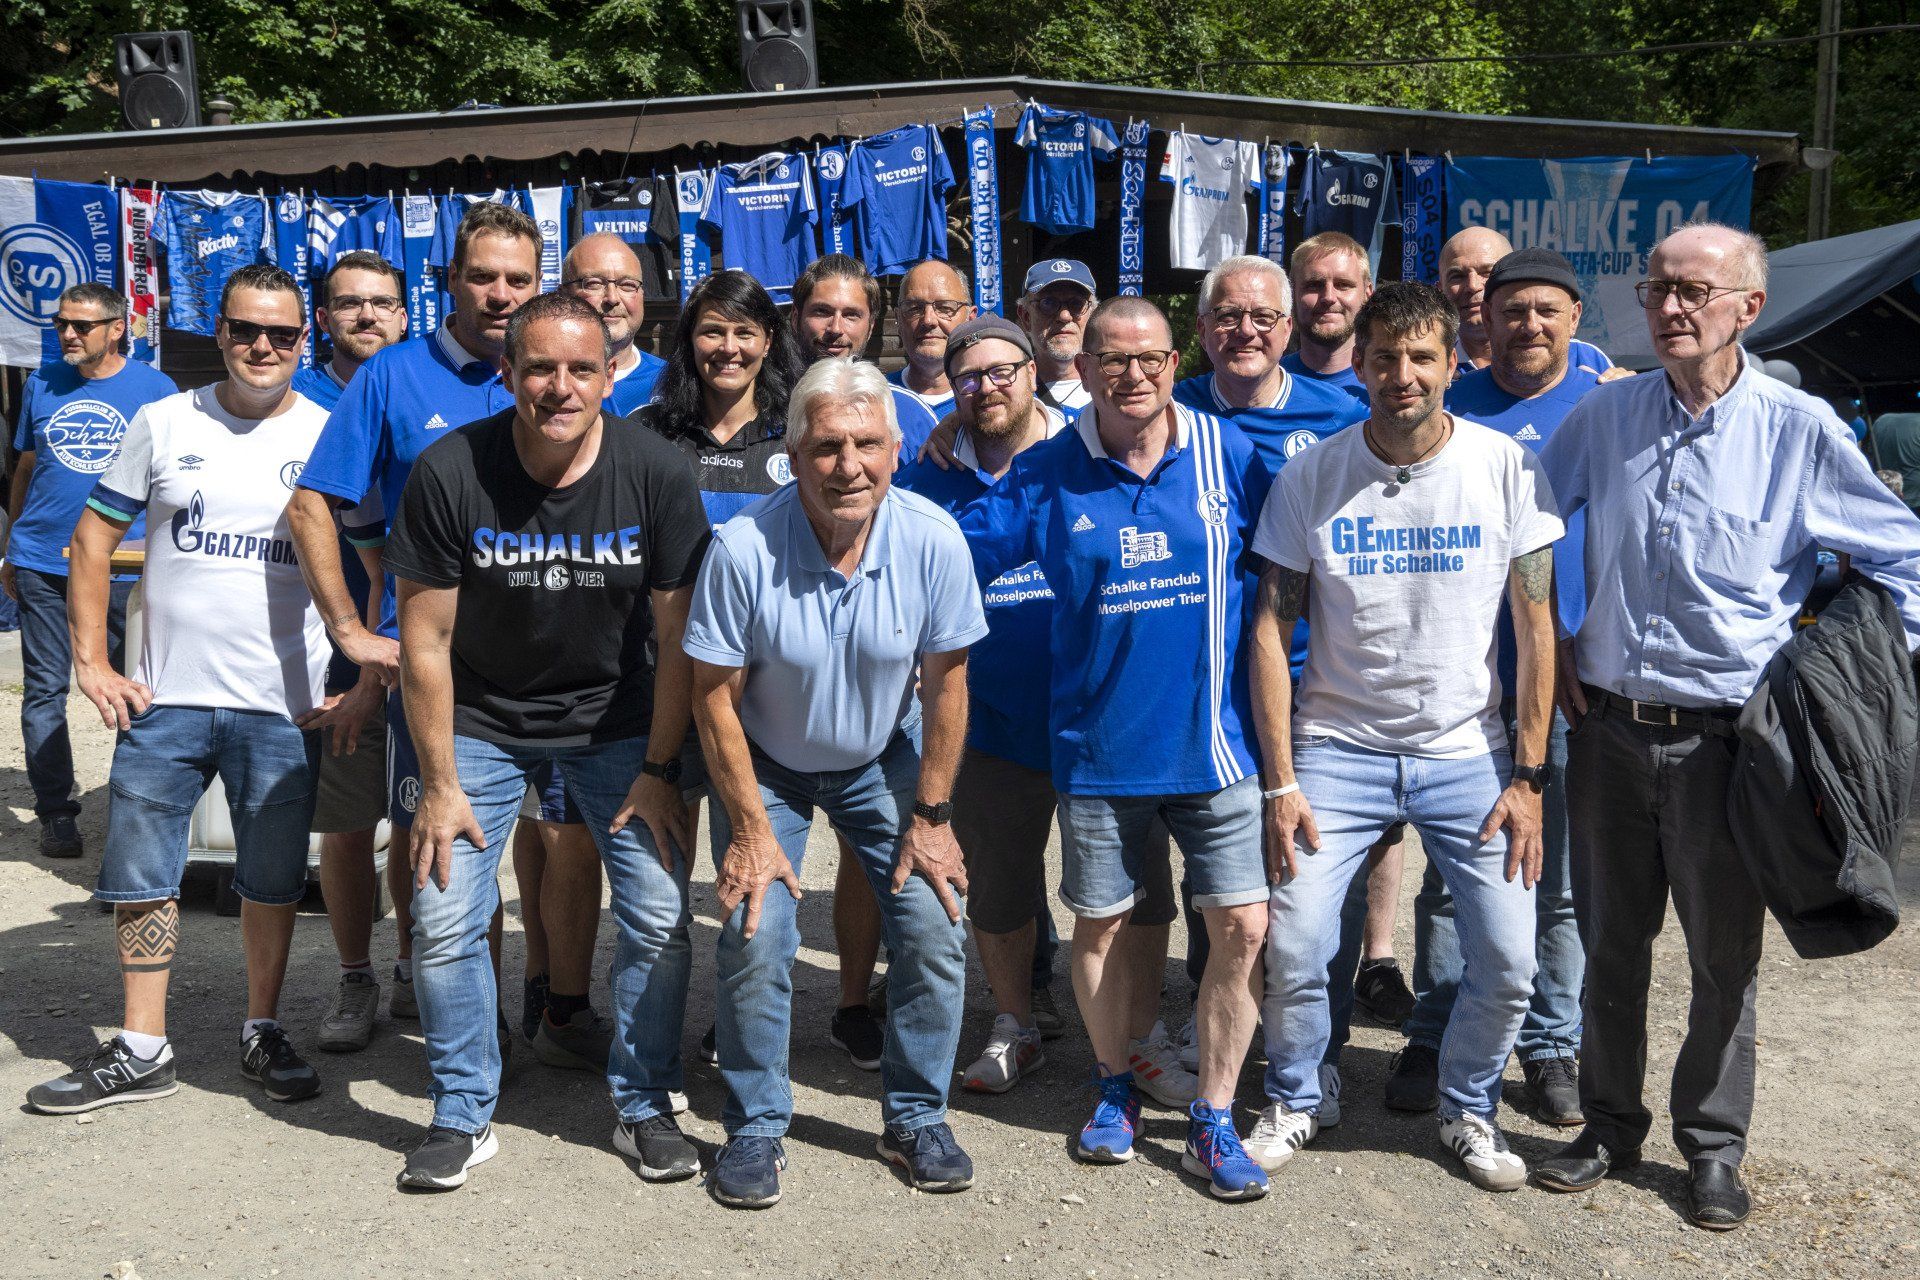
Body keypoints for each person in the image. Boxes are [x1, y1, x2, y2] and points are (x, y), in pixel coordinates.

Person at [1531, 223, 1920, 1229]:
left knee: (1722, 959)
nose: (1670, 307)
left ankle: (1711, 1147)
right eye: (1658, 287)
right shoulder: (1605, 416)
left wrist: (1847, 674)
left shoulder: (1799, 430)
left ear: (1749, 308)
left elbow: (1905, 559)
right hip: (1609, 732)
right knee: (1611, 945)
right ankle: (1608, 1126)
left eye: (1694, 291)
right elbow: (1526, 520)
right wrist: (1554, 634)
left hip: (1729, 745)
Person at [383, 290, 710, 1191]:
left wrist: (660, 768)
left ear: (609, 377)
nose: (560, 387)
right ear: (507, 373)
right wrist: (439, 783)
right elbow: (424, 643)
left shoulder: (655, 470)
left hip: (618, 721)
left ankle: (644, 1103)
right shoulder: (452, 469)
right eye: (539, 368)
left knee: (658, 915)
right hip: (481, 722)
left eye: (580, 369)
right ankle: (462, 1111)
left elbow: (681, 637)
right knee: (444, 914)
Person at [1247, 281, 1563, 1194]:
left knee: (1509, 960)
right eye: (1384, 356)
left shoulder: (1506, 467)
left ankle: (1468, 1106)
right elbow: (1270, 627)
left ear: (1453, 365)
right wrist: (1281, 780)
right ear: (1359, 363)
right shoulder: (1312, 474)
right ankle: (1299, 1094)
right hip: (1336, 749)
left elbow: (1537, 627)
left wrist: (1529, 776)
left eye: (1422, 357)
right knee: (1297, 946)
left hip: (1470, 755)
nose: (1402, 375)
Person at [959, 297, 1274, 1201]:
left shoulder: (1230, 453)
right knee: (1098, 928)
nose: (1132, 375)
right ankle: (1113, 1086)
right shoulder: (1045, 471)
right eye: (1112, 359)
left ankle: (1214, 1114)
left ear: (1175, 363)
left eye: (1149, 359)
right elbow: (956, 557)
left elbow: (1289, 567)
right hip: (1097, 753)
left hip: (1217, 750)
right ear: (1084, 367)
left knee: (1243, 928)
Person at [291, 202, 607, 1061]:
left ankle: (554, 1001)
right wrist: (352, 631)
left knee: (561, 840)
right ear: (451, 281)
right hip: (436, 666)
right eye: (483, 277)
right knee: (445, 845)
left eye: (518, 278)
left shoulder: (560, 371)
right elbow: (311, 502)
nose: (501, 294)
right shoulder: (393, 376)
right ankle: (468, 1024)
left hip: (555, 664)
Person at [25, 264, 344, 1114]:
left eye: (282, 333)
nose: (263, 346)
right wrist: (92, 663)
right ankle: (141, 1047)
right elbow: (92, 540)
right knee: (142, 874)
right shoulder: (163, 420)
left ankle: (261, 1028)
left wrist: (352, 673)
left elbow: (374, 557)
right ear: (220, 334)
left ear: (304, 338)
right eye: (245, 330)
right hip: (164, 698)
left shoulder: (328, 432)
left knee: (272, 879)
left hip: (283, 704)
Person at [685, 357, 987, 1207]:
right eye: (826, 447)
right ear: (793, 456)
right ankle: (755, 1127)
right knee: (757, 929)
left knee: (935, 922)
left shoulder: (932, 537)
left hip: (879, 752)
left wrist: (933, 816)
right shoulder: (743, 548)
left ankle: (916, 1117)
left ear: (895, 450)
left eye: (866, 445)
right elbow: (712, 697)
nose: (848, 465)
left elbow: (949, 685)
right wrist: (750, 829)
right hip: (767, 762)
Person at [1387, 248, 1598, 1124]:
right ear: (1486, 320)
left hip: (1566, 682)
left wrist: (1582, 638)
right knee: (1449, 880)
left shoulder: (1605, 403)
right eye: (1513, 311)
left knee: (1555, 879)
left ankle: (1551, 1045)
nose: (1529, 325)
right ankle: (1434, 1031)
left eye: (1547, 310)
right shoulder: (1448, 402)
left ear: (1575, 317)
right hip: (1463, 688)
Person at [1169, 253, 1382, 1110]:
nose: (1245, 331)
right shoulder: (1171, 405)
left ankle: (1320, 1045)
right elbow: (1062, 433)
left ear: (1289, 329)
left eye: (1263, 316)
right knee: (1217, 869)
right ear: (1202, 329)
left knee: (1314, 874)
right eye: (1227, 315)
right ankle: (1211, 1022)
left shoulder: (1343, 415)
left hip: (1316, 681)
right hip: (1205, 682)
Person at [788, 254, 1010, 1059]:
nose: (836, 327)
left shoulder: (933, 413)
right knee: (779, 879)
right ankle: (840, 1000)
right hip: (792, 681)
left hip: (917, 676)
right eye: (821, 311)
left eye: (852, 312)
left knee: (928, 850)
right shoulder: (814, 397)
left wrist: (952, 419)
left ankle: (997, 1000)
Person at [893, 315, 1080, 1094]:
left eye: (1003, 370)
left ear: (1035, 372)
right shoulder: (926, 475)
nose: (987, 386)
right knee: (1000, 886)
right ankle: (1016, 1021)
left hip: (1094, 715)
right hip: (988, 720)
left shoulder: (1089, 450)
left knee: (1122, 887)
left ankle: (1135, 1032)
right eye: (969, 376)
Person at [3, 283, 175, 858]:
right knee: (44, 691)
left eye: (81, 325)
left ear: (117, 328)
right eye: (61, 324)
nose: (68, 334)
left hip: (122, 567)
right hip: (42, 561)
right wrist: (12, 545)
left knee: (135, 691)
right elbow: (27, 467)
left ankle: (131, 808)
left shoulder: (156, 390)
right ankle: (56, 812)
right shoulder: (42, 384)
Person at [289, 251, 411, 1053]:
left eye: (381, 303)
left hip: (407, 641)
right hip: (329, 647)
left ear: (404, 313)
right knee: (346, 821)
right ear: (323, 317)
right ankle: (355, 975)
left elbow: (381, 549)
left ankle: (410, 966)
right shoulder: (296, 402)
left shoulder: (414, 386)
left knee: (415, 815)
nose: (366, 315)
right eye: (348, 303)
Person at [1440, 227, 1618, 379]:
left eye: (1487, 273)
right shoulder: (1434, 364)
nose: (1472, 286)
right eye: (1457, 276)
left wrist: (1623, 388)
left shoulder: (1585, 358)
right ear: (1440, 289)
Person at [561, 231, 667, 413]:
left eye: (627, 285)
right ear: (563, 295)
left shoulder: (671, 382)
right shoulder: (535, 381)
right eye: (594, 283)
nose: (612, 298)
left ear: (642, 295)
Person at [887, 259, 976, 444]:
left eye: (944, 308)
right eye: (914, 308)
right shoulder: (874, 396)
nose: (928, 320)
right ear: (898, 319)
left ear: (971, 319)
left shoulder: (993, 397)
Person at [1281, 232, 1373, 401]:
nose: (1329, 297)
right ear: (1291, 294)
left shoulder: (1392, 386)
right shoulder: (1263, 384)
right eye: (1314, 285)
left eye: (1343, 285)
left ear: (1367, 294)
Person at [1018, 258, 1097, 414]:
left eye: (1077, 304)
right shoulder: (1011, 390)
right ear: (1026, 317)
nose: (1064, 316)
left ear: (1092, 316)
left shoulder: (1114, 385)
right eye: (1048, 303)